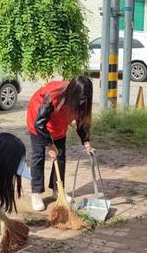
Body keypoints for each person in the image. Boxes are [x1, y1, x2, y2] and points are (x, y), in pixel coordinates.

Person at [26, 76, 95, 211]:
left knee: (60, 157)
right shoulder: (53, 96)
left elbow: (81, 123)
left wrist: (86, 142)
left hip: (59, 125)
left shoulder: (82, 101)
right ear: (72, 94)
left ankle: (58, 190)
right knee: (38, 156)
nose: (82, 102)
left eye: (84, 99)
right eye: (80, 99)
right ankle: (36, 193)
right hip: (38, 121)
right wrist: (50, 145)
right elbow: (39, 124)